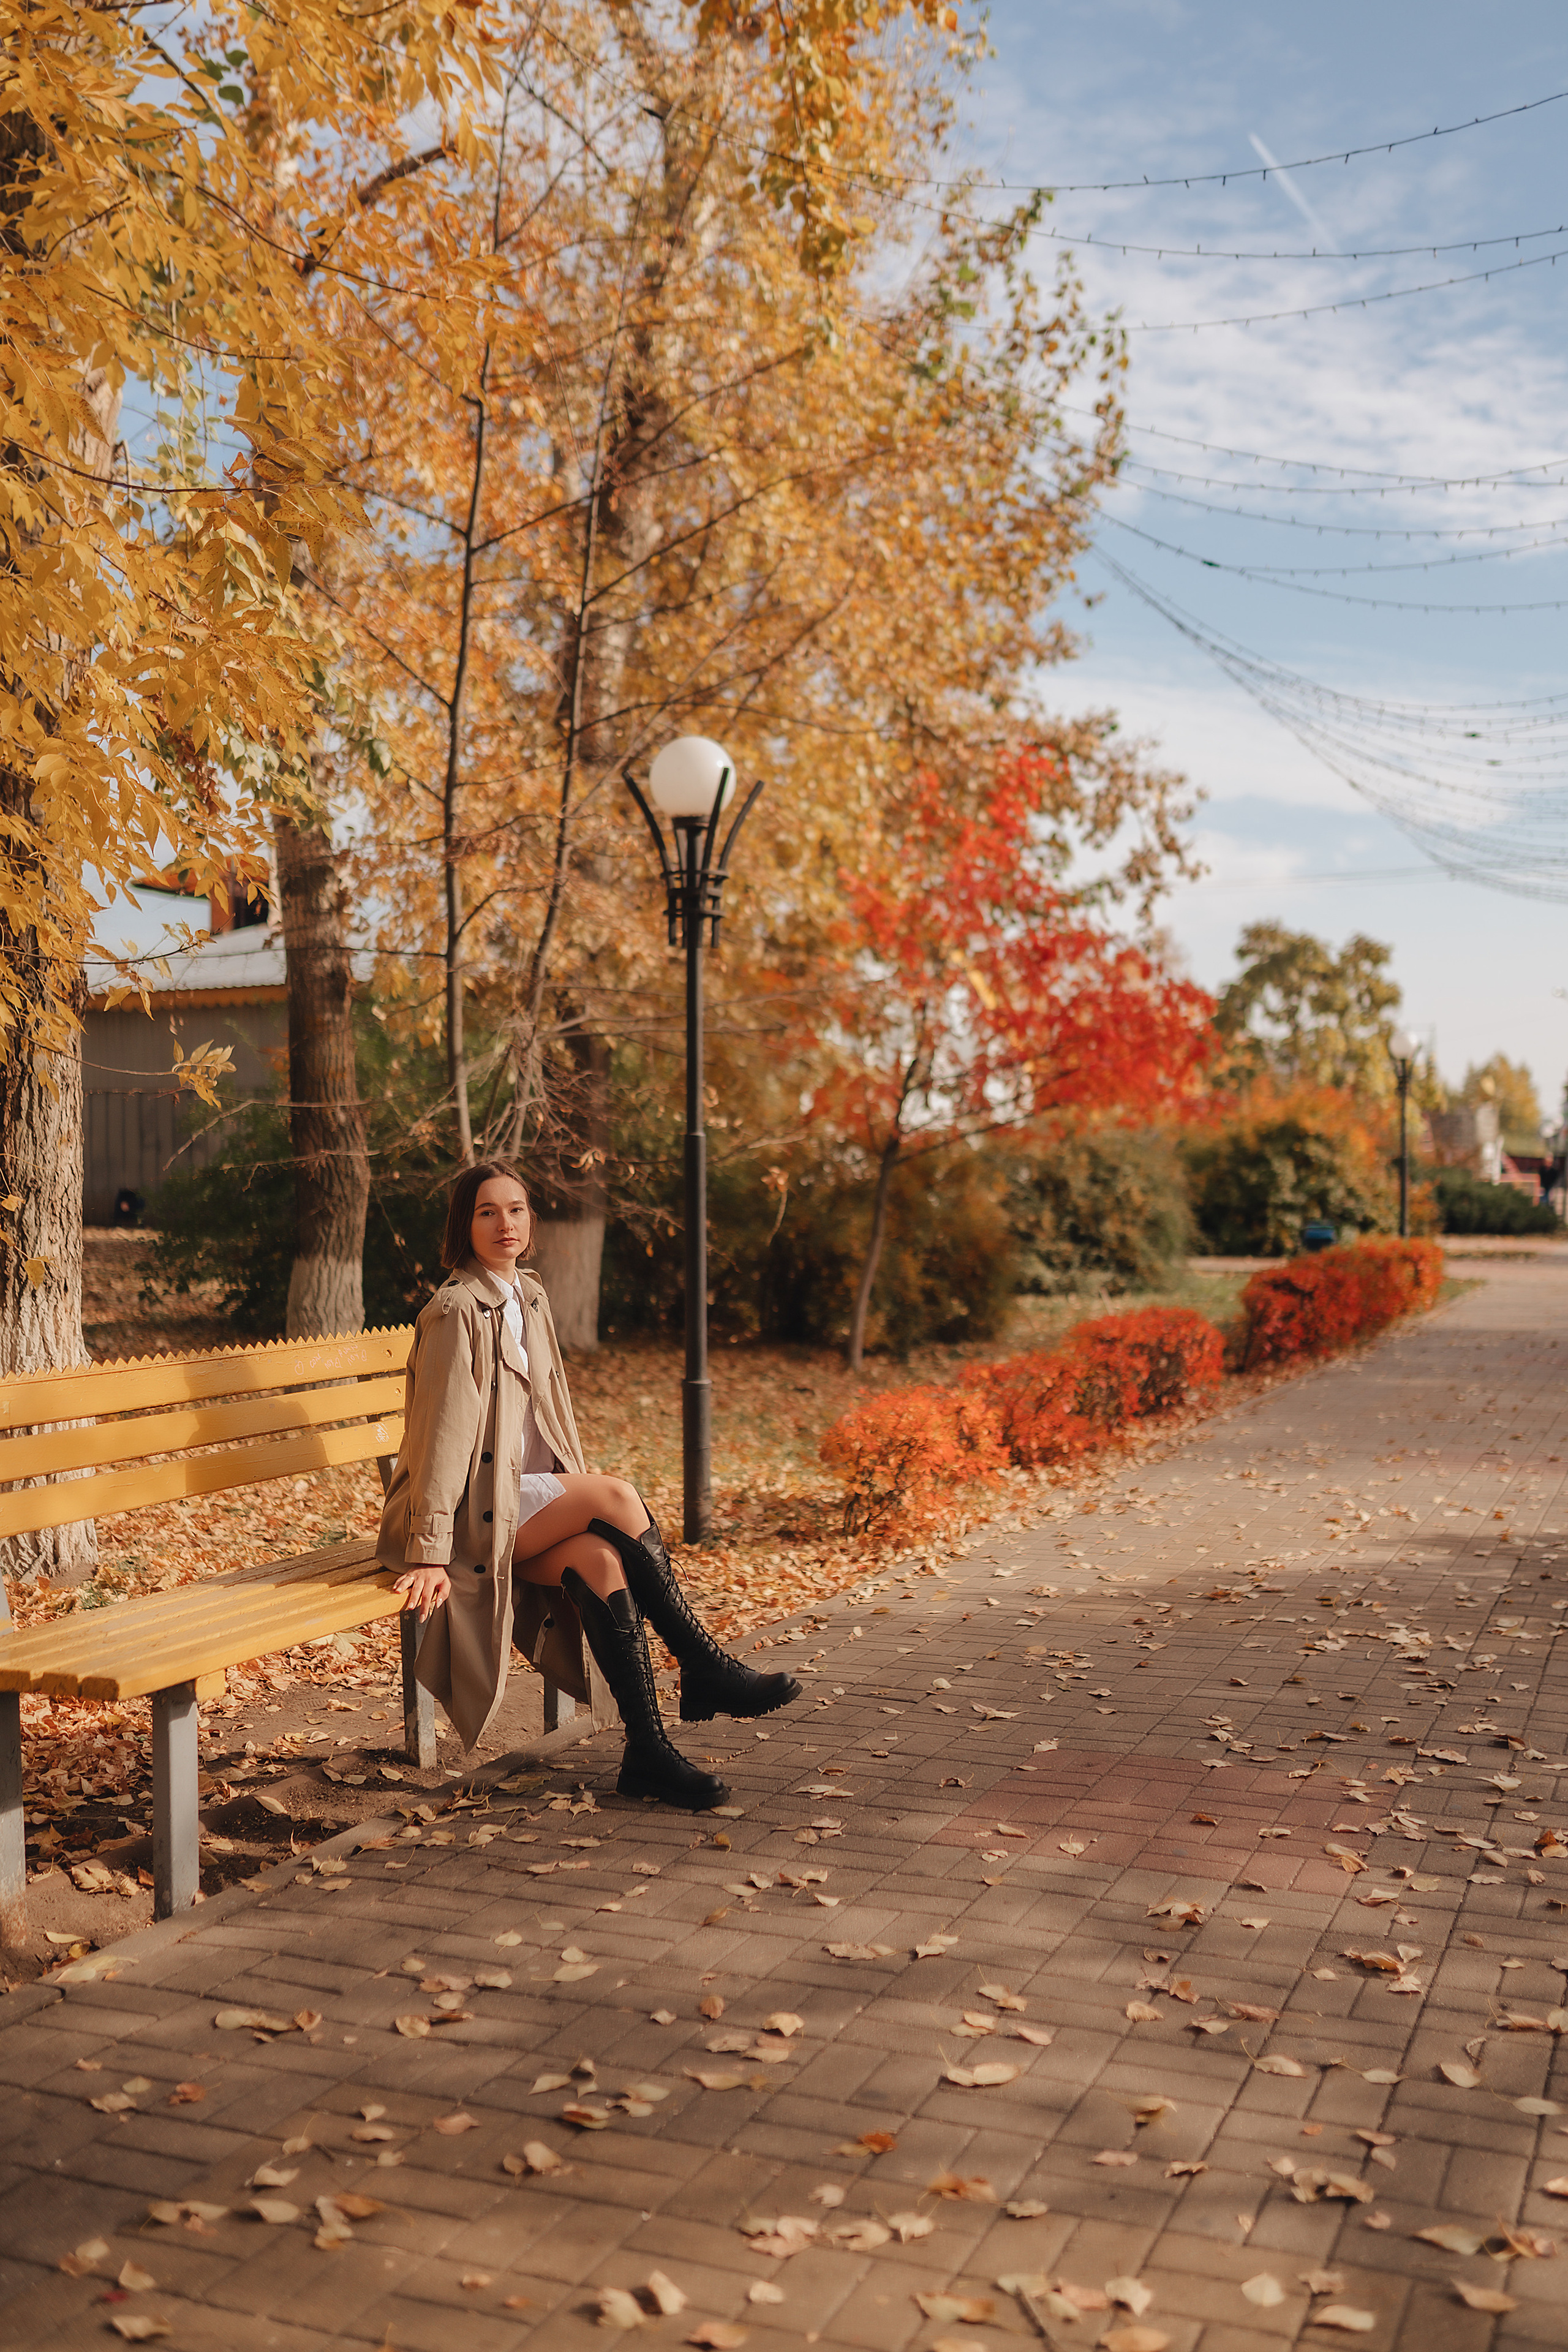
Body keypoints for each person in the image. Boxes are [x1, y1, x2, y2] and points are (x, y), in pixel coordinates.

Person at [377, 1159, 799, 1810]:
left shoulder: (529, 1296)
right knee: (618, 1496)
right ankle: (703, 1666)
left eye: (516, 1209)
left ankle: (647, 1751)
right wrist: (430, 1549)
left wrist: (569, 1488)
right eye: (487, 1212)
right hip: (469, 1511)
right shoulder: (455, 1312)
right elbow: (442, 1438)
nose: (505, 1223)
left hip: (522, 1499)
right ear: (464, 1226)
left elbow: (551, 1414)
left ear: (530, 1221)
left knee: (603, 1560)